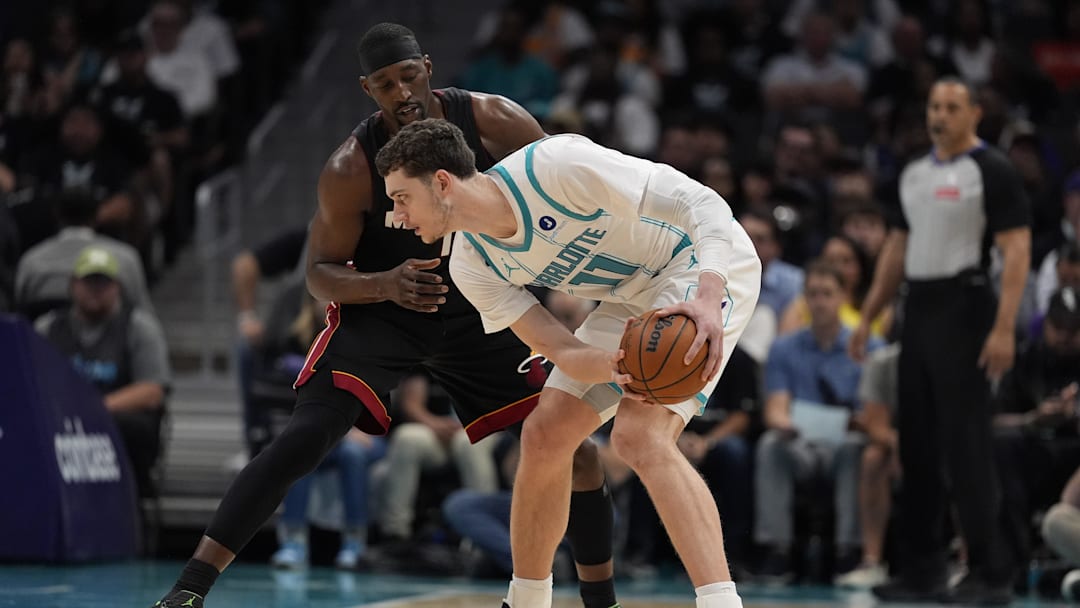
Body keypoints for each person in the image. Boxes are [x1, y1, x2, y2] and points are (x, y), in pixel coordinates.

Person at [148, 23, 618, 608]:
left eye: (409, 76)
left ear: (427, 67)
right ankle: (188, 590)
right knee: (304, 437)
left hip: (483, 308)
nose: (402, 93)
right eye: (386, 84)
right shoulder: (350, 167)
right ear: (367, 89)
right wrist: (382, 283)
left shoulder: (494, 120)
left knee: (574, 448)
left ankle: (602, 600)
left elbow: (559, 199)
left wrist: (568, 277)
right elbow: (319, 273)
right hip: (386, 313)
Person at [374, 119, 762, 608]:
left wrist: (709, 294)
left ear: (443, 182)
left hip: (699, 264)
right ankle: (527, 600)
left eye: (401, 197)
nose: (396, 215)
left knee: (638, 436)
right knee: (545, 432)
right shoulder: (471, 264)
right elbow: (562, 350)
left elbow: (704, 204)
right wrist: (616, 366)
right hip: (630, 300)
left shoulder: (556, 168)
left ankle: (721, 602)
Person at [849, 76, 1032, 604]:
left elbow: (1016, 251)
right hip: (919, 310)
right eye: (934, 106)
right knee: (918, 444)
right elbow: (897, 249)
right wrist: (868, 316)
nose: (941, 115)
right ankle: (922, 569)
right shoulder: (913, 173)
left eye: (952, 107)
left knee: (967, 446)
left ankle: (991, 573)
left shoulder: (991, 170)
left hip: (967, 307)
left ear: (975, 113)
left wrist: (1003, 326)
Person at [754, 260, 880, 583]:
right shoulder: (784, 348)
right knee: (771, 445)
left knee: (857, 449)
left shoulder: (868, 347)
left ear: (843, 298)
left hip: (846, 442)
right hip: (802, 443)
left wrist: (857, 422)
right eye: (812, 294)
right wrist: (784, 424)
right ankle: (776, 550)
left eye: (827, 293)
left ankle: (847, 551)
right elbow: (775, 409)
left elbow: (876, 414)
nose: (820, 301)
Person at [35, 246, 170, 501]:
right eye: (89, 281)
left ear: (117, 286)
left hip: (115, 425)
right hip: (59, 425)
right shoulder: (48, 327)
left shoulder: (139, 327)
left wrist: (95, 408)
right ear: (73, 284)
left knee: (136, 426)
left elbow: (153, 391)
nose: (96, 289)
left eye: (103, 282)